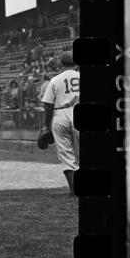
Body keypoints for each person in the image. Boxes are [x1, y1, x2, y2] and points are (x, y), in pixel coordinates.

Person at [41, 50, 80, 195]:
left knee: (65, 153)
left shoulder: (55, 80)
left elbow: (48, 105)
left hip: (61, 113)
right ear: (75, 63)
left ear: (61, 63)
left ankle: (73, 189)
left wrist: (46, 125)